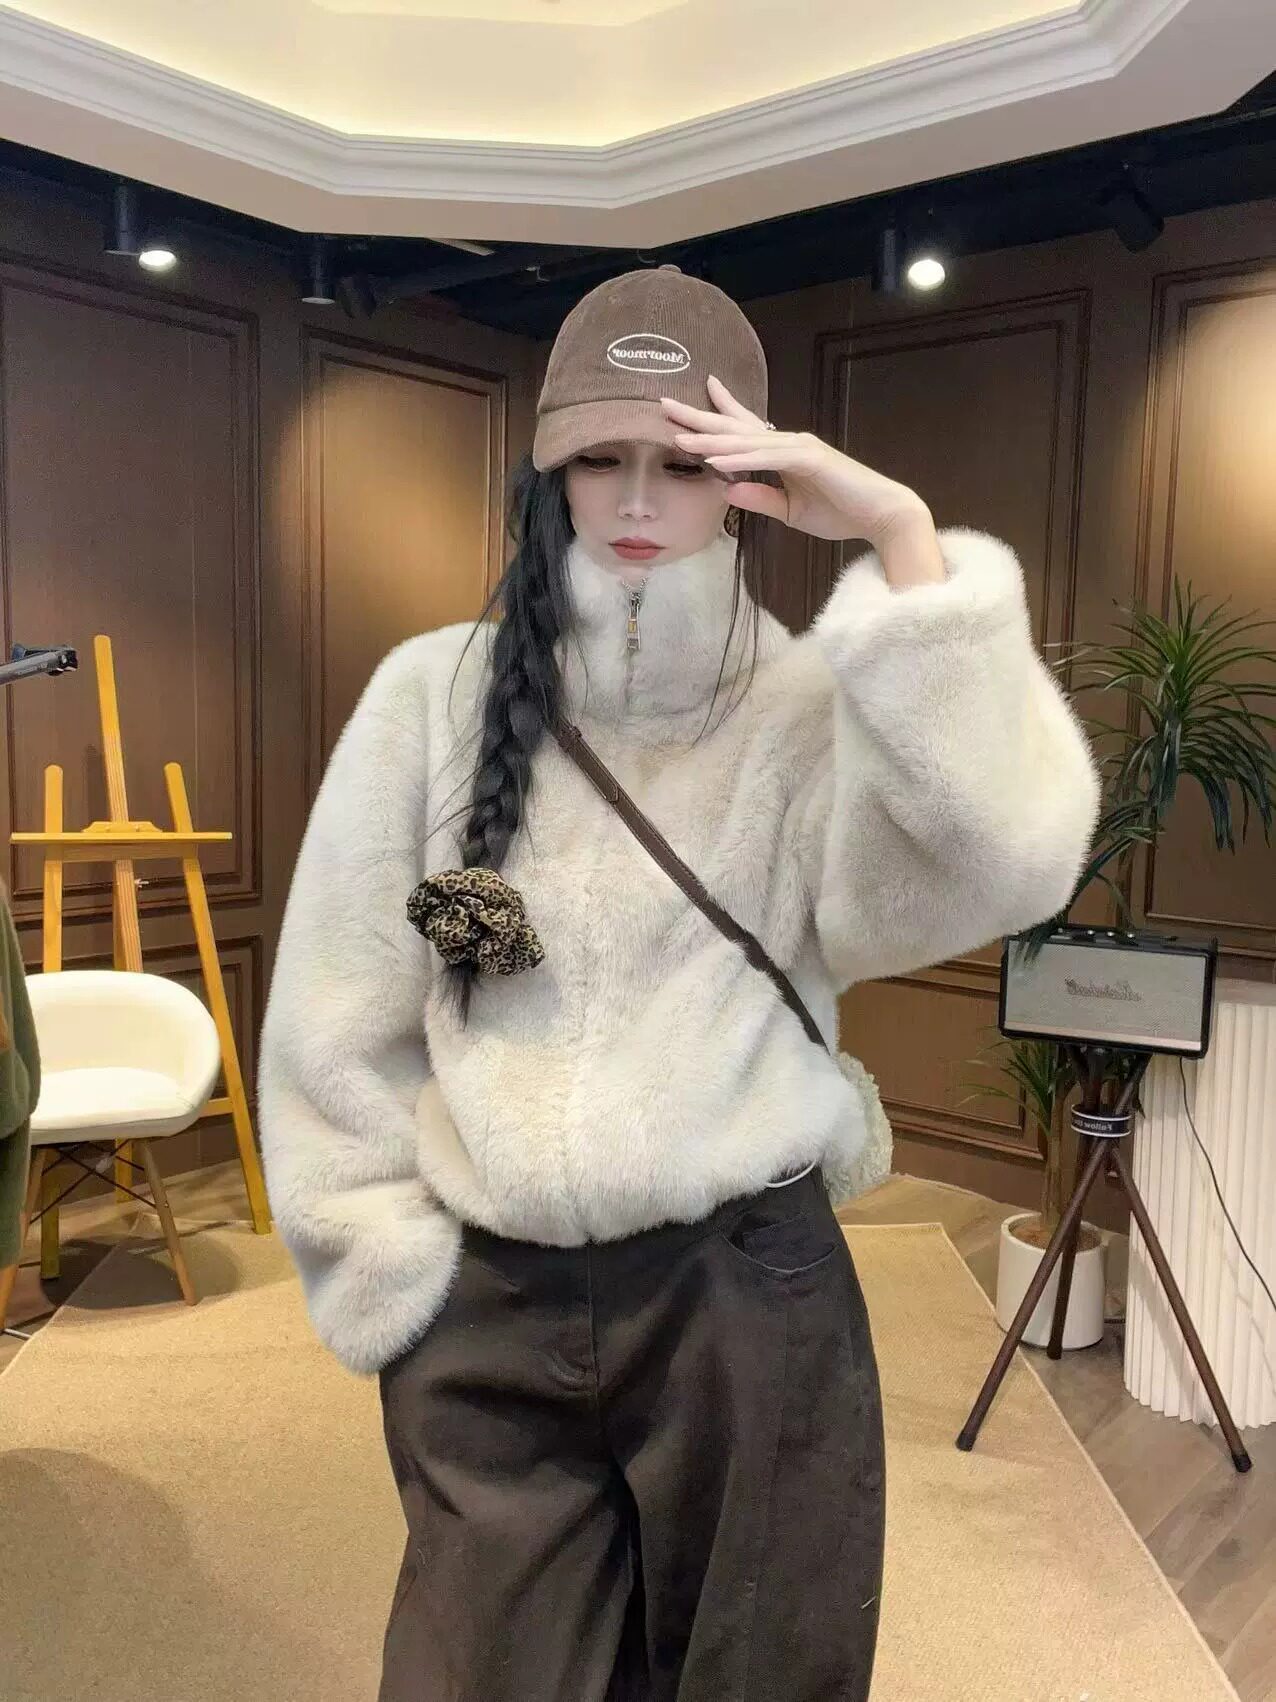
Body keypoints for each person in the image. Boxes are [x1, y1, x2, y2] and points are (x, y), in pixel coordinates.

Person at [256, 265, 1102, 1701]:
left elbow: (1000, 866)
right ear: (551, 473)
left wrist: (902, 539)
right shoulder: (433, 695)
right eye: (602, 458)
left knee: (762, 1673)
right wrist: (384, 1260)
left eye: (685, 462)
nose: (639, 499)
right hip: (492, 1293)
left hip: (744, 1288)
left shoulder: (808, 709)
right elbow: (341, 1010)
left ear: (748, 483)